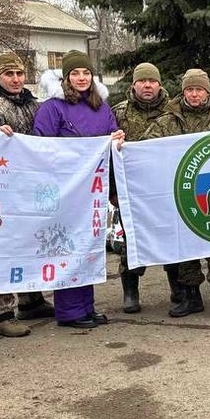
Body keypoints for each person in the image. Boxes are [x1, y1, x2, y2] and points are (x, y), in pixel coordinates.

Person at [32, 50, 124, 330]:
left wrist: (117, 139)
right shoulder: (53, 108)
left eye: (86, 73)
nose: (81, 78)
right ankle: (70, 310)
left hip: (94, 189)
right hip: (66, 189)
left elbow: (111, 135)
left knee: (89, 246)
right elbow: (41, 146)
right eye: (75, 74)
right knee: (68, 246)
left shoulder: (101, 106)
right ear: (66, 78)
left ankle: (87, 305)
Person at [0, 51, 54, 336]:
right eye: (9, 74)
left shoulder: (33, 104)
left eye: (19, 74)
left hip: (29, 186)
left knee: (29, 243)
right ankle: (1, 313)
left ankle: (31, 300)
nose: (16, 79)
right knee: (1, 248)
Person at [149, 68, 210, 324]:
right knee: (185, 244)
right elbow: (147, 149)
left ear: (207, 91)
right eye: (189, 89)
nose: (194, 94)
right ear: (183, 91)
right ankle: (191, 296)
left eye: (198, 89)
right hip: (181, 193)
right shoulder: (169, 119)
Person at [111, 61, 171, 313]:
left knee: (170, 239)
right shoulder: (118, 112)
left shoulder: (173, 110)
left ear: (159, 84)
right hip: (131, 193)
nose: (147, 85)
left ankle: (178, 287)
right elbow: (107, 151)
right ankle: (131, 291)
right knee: (131, 242)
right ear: (134, 84)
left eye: (152, 81)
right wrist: (113, 191)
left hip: (166, 190)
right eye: (142, 81)